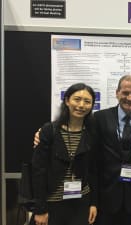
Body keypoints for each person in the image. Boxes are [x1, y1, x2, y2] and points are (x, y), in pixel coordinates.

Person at [31, 83, 98, 225]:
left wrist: (93, 203)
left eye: (87, 101)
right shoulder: (49, 131)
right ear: (67, 101)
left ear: (92, 105)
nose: (81, 105)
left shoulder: (92, 132)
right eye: (77, 99)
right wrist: (40, 209)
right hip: (52, 202)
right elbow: (38, 171)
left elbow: (94, 171)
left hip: (81, 202)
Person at [94, 75, 131, 225]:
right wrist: (46, 131)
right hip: (107, 194)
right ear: (117, 93)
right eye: (125, 93)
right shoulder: (100, 117)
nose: (130, 98)